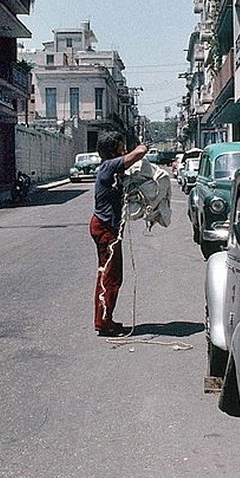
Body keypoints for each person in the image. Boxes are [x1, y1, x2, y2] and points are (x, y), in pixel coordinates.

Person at [90, 131, 148, 337]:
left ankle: (105, 319)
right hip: (106, 229)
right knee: (110, 278)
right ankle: (104, 323)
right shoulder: (109, 165)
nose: (124, 150)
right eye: (122, 146)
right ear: (114, 149)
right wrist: (141, 145)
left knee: (108, 275)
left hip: (106, 227)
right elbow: (139, 152)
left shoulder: (110, 168)